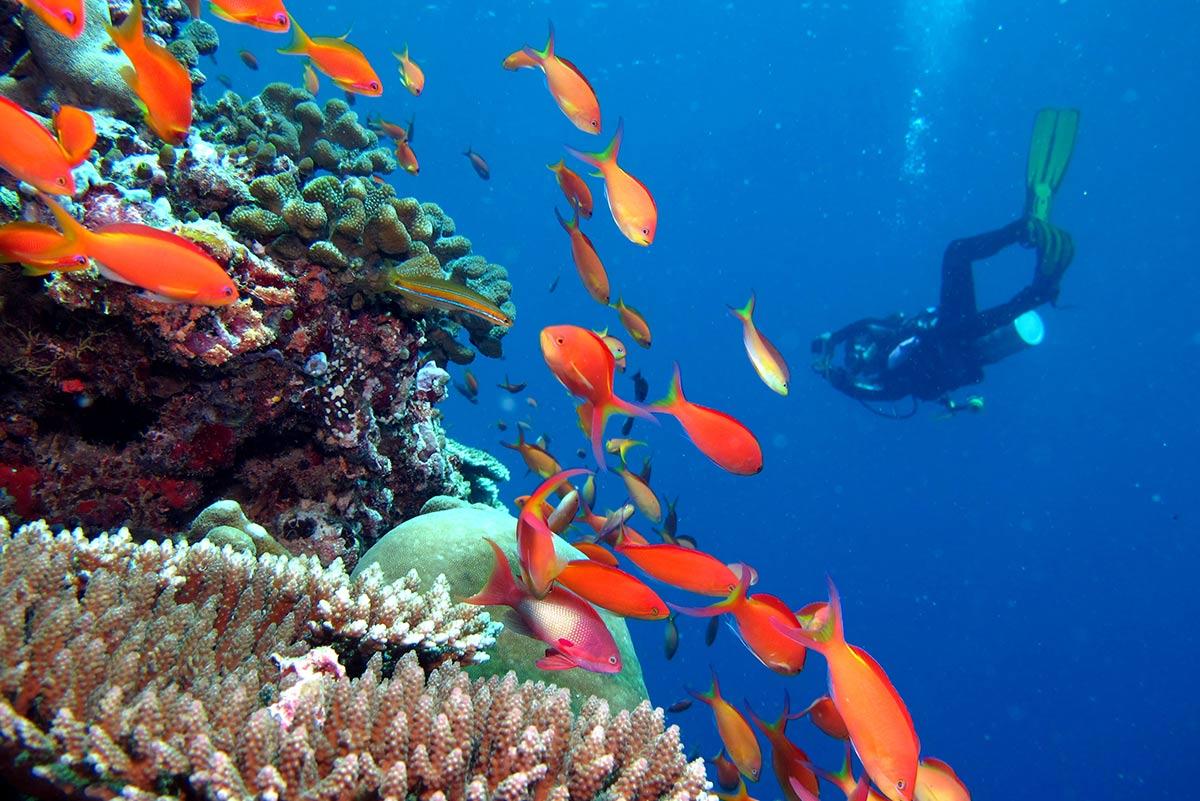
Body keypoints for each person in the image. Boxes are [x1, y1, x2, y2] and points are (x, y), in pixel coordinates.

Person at [811, 108, 1079, 417]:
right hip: (959, 347)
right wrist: (838, 380)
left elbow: (864, 325)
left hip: (952, 325)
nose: (862, 349)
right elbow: (871, 392)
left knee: (956, 253)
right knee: (967, 325)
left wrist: (834, 338)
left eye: (859, 345)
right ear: (863, 368)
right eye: (857, 357)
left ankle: (1024, 229)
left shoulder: (884, 333)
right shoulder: (890, 380)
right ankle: (1042, 289)